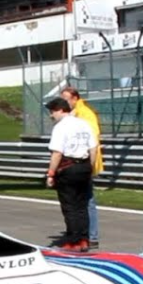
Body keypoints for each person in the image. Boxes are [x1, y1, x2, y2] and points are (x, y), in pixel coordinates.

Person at [45, 98, 97, 252]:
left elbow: (57, 153)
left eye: (52, 112)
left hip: (68, 168)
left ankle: (73, 241)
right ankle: (84, 239)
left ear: (60, 110)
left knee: (70, 206)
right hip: (85, 166)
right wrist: (90, 168)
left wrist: (51, 173)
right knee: (82, 205)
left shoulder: (60, 127)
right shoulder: (83, 124)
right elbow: (93, 148)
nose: (52, 115)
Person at [61, 86, 102, 249]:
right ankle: (83, 234)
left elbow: (92, 139)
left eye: (66, 99)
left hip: (85, 162)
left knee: (87, 200)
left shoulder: (85, 114)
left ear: (75, 98)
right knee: (83, 200)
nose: (63, 102)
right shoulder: (75, 114)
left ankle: (91, 236)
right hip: (82, 163)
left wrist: (87, 165)